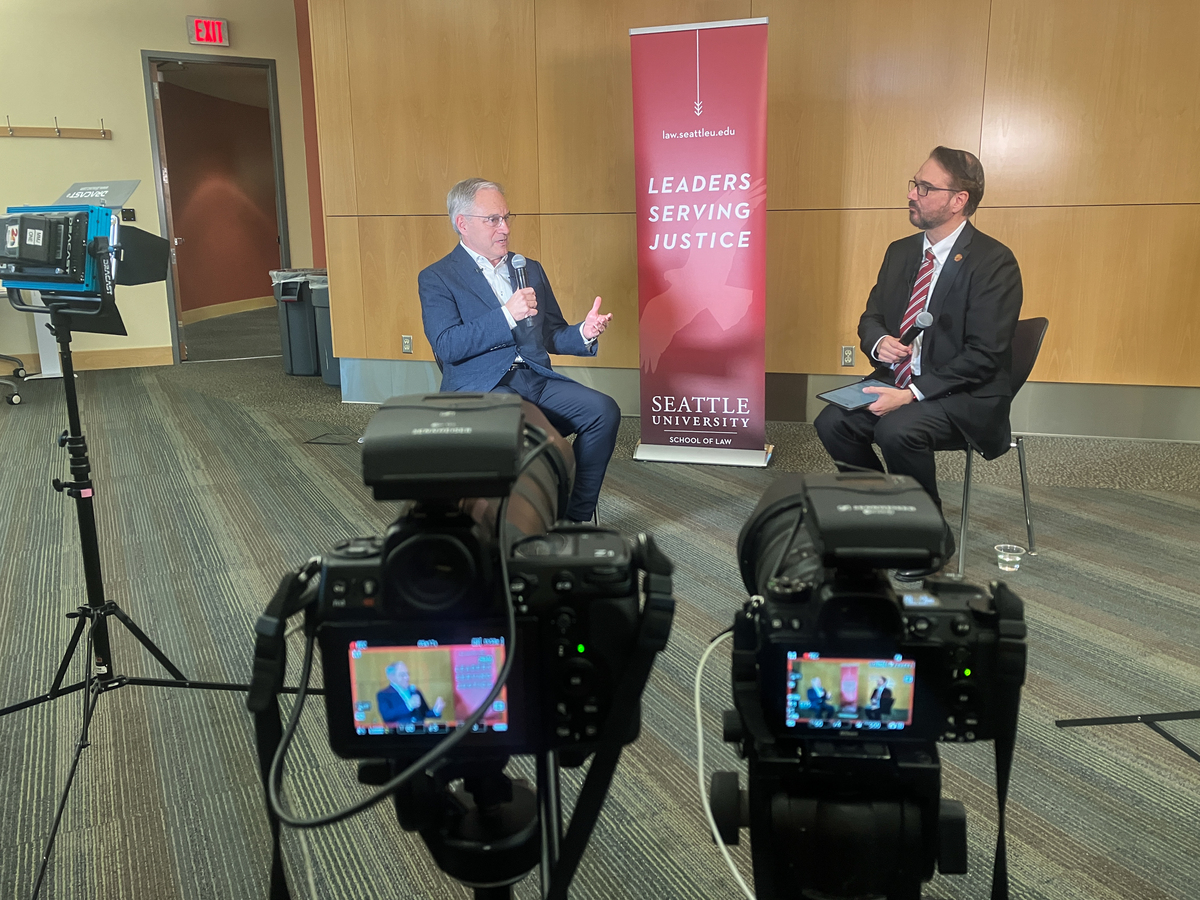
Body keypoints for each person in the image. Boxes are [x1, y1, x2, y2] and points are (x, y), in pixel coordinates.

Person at [814, 147, 1023, 570]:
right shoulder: (901, 251)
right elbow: (871, 316)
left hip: (965, 394)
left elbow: (986, 355)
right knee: (832, 421)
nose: (912, 193)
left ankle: (928, 535)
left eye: (925, 188)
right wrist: (880, 343)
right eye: (914, 183)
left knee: (897, 429)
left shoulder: (994, 262)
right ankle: (885, 517)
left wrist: (910, 393)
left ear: (958, 200)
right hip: (899, 379)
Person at [418, 178, 620, 523]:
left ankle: (574, 517)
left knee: (603, 411)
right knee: (533, 432)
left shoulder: (528, 269)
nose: (505, 228)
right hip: (482, 388)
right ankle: (520, 523)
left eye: (507, 217)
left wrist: (584, 333)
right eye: (493, 219)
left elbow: (552, 334)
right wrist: (507, 315)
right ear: (462, 224)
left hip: (535, 378)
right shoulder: (437, 277)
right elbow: (448, 345)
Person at [376, 660, 446, 726]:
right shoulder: (384, 694)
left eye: (408, 674)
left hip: (419, 733)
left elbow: (424, 713)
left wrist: (436, 710)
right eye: (402, 675)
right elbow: (387, 716)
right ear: (391, 677)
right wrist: (408, 706)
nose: (407, 678)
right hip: (399, 734)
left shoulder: (415, 691)